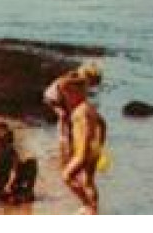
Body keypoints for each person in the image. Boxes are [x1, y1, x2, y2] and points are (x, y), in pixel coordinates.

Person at [61, 75, 106, 214]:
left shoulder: (81, 110)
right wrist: (100, 144)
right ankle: (94, 210)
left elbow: (86, 130)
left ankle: (87, 205)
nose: (66, 98)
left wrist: (81, 152)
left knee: (66, 176)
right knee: (88, 181)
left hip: (84, 150)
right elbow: (103, 124)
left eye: (68, 93)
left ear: (78, 92)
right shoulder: (89, 107)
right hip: (93, 148)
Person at [43, 64, 102, 162]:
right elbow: (62, 84)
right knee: (63, 115)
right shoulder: (77, 79)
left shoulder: (82, 82)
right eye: (93, 83)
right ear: (88, 77)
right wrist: (69, 105)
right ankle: (62, 136)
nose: (92, 86)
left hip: (61, 95)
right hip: (52, 97)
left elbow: (82, 98)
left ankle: (69, 138)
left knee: (72, 116)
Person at [0, 121, 39, 205]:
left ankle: (28, 190)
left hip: (9, 178)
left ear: (9, 142)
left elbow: (14, 170)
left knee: (32, 162)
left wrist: (10, 184)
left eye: (2, 142)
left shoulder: (12, 152)